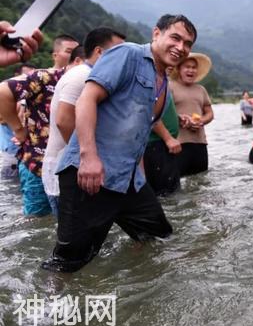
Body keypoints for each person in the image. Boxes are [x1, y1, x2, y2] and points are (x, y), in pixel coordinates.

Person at [41, 14, 197, 273]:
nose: (181, 47)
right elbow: (87, 99)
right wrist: (88, 157)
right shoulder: (127, 54)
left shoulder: (162, 82)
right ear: (156, 33)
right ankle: (52, 310)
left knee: (158, 236)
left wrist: (142, 178)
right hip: (90, 176)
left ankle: (136, 283)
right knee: (70, 262)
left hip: (129, 181)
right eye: (176, 37)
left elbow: (138, 134)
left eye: (188, 43)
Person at [43, 28, 127, 210]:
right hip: (67, 169)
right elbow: (63, 120)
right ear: (98, 51)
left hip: (76, 170)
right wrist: (86, 158)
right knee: (72, 234)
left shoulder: (94, 76)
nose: (123, 57)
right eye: (118, 51)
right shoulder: (82, 75)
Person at [0, 63, 67, 216]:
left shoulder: (81, 84)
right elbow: (3, 94)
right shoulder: (43, 79)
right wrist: (18, 129)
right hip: (31, 161)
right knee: (35, 216)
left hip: (61, 165)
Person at [170, 52, 214, 176]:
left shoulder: (201, 89)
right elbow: (163, 114)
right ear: (179, 69)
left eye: (194, 67)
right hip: (178, 143)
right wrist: (180, 119)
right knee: (179, 182)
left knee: (201, 181)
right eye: (187, 67)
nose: (191, 70)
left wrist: (201, 121)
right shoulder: (169, 87)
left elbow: (209, 113)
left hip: (200, 143)